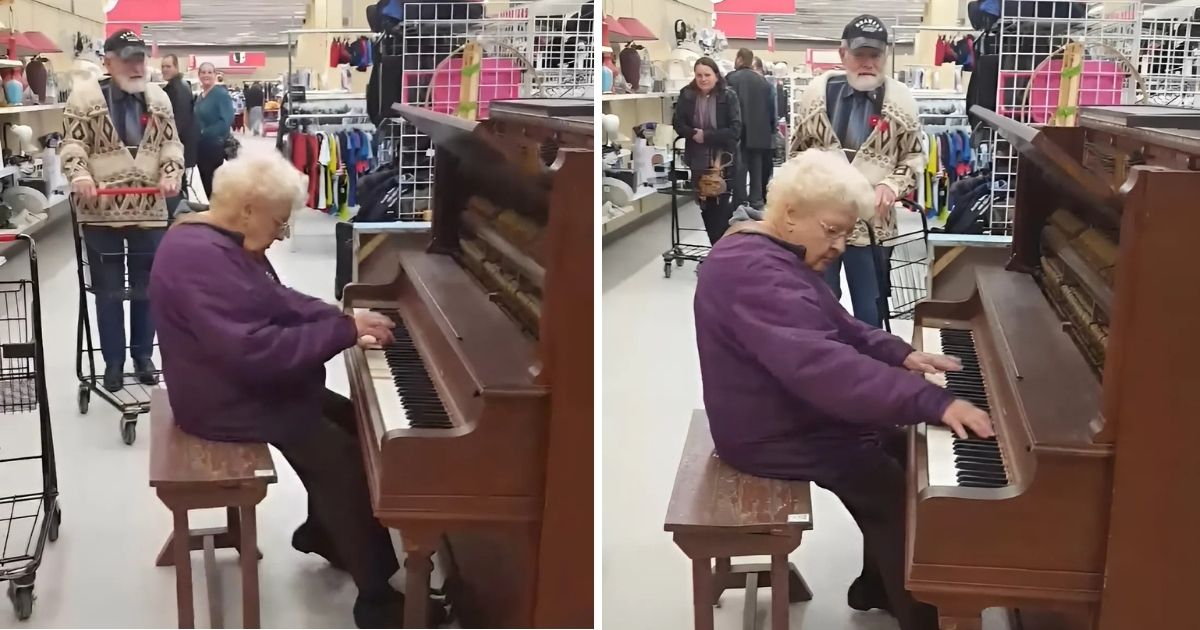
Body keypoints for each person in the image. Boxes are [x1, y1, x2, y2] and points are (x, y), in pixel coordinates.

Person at [695, 149, 994, 630]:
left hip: (782, 410)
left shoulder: (771, 250)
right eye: (830, 230)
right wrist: (932, 400)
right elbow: (826, 369)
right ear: (790, 213)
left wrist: (901, 355)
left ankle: (876, 585)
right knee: (895, 492)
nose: (838, 245)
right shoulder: (754, 271)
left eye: (845, 233)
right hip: (769, 431)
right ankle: (923, 617)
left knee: (905, 451)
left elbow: (840, 326)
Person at [147, 150, 447, 629]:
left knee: (354, 422)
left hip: (232, 383)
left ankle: (324, 533)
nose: (280, 235)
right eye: (279, 223)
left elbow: (272, 299)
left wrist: (338, 316)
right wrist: (343, 333)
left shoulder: (212, 237)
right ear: (247, 209)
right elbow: (254, 351)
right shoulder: (198, 258)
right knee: (343, 457)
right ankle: (377, 600)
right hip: (220, 400)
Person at [60, 28, 184, 392]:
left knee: (149, 289)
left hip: (149, 211)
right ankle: (113, 361)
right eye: (127, 59)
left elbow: (171, 146)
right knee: (108, 290)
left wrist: (171, 172)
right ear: (108, 62)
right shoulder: (83, 98)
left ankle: (143, 356)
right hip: (101, 212)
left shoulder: (159, 98)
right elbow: (72, 145)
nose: (135, 66)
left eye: (139, 59)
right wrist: (79, 174)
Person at [791, 14, 924, 328]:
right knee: (821, 303)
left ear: (885, 57)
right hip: (822, 222)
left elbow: (915, 158)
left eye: (875, 55)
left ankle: (870, 369)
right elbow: (796, 153)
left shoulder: (902, 102)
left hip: (874, 227)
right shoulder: (816, 96)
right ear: (843, 54)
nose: (867, 63)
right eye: (859, 54)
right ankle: (827, 364)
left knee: (870, 309)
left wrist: (892, 185)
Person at [672, 57, 742, 245]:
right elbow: (678, 124)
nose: (703, 79)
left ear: (716, 76)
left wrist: (707, 135)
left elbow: (735, 131)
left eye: (707, 75)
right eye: (699, 75)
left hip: (724, 160)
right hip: (697, 160)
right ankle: (717, 249)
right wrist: (693, 133)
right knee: (705, 206)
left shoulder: (728, 96)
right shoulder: (686, 95)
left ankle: (722, 250)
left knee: (721, 207)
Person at [726, 49, 774, 209]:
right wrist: (772, 129)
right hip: (760, 132)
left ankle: (740, 202)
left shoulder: (731, 79)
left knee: (739, 168)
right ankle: (756, 200)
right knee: (757, 168)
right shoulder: (763, 82)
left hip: (739, 132)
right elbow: (771, 108)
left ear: (739, 59)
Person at [161, 54, 197, 204]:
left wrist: (170, 141)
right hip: (181, 143)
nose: (164, 70)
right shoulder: (176, 86)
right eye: (163, 67)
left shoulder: (178, 88)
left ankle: (180, 210)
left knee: (178, 180)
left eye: (168, 66)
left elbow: (179, 119)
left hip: (180, 143)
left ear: (176, 67)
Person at [194, 62, 234, 198]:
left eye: (209, 72)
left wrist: (204, 132)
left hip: (215, 147)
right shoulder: (200, 97)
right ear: (199, 75)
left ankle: (218, 214)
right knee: (206, 184)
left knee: (215, 186)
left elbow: (226, 121)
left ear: (215, 75)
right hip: (201, 148)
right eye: (203, 72)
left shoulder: (221, 95)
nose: (206, 75)